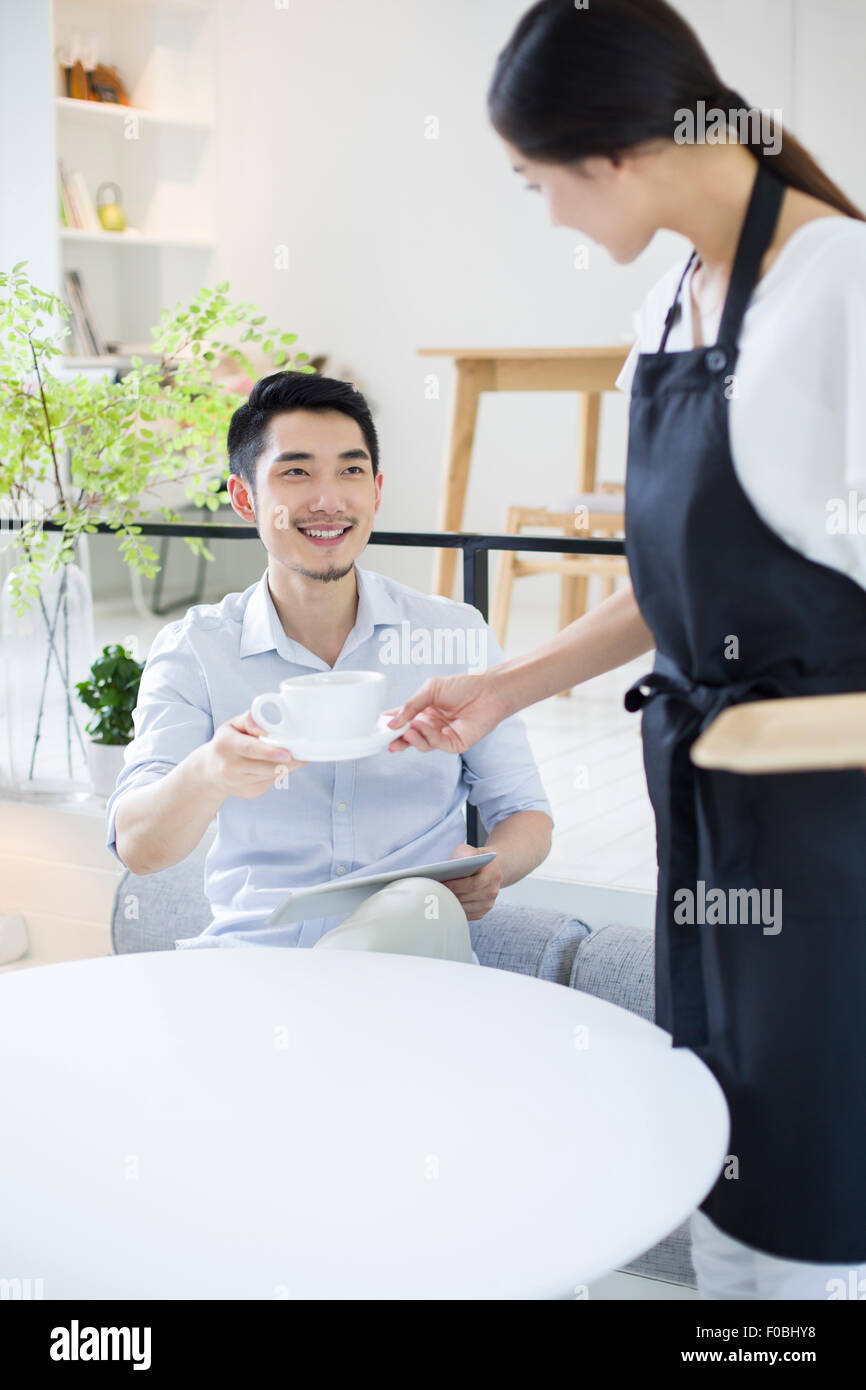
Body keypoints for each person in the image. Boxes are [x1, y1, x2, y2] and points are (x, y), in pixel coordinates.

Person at [386, 0, 866, 1299]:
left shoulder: (841, 295)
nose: (544, 210)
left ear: (614, 151)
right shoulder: (677, 294)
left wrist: (774, 729)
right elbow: (686, 580)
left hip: (828, 832)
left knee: (811, 1184)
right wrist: (502, 685)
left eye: (537, 179)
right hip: (714, 817)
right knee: (718, 1130)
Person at [106, 371, 553, 956]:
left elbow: (526, 813)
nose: (328, 500)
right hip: (254, 965)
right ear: (245, 498)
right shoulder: (196, 650)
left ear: (376, 490)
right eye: (296, 472)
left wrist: (491, 868)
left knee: (399, 925)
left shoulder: (450, 635)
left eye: (350, 471)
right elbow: (140, 848)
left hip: (415, 966)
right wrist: (210, 770)